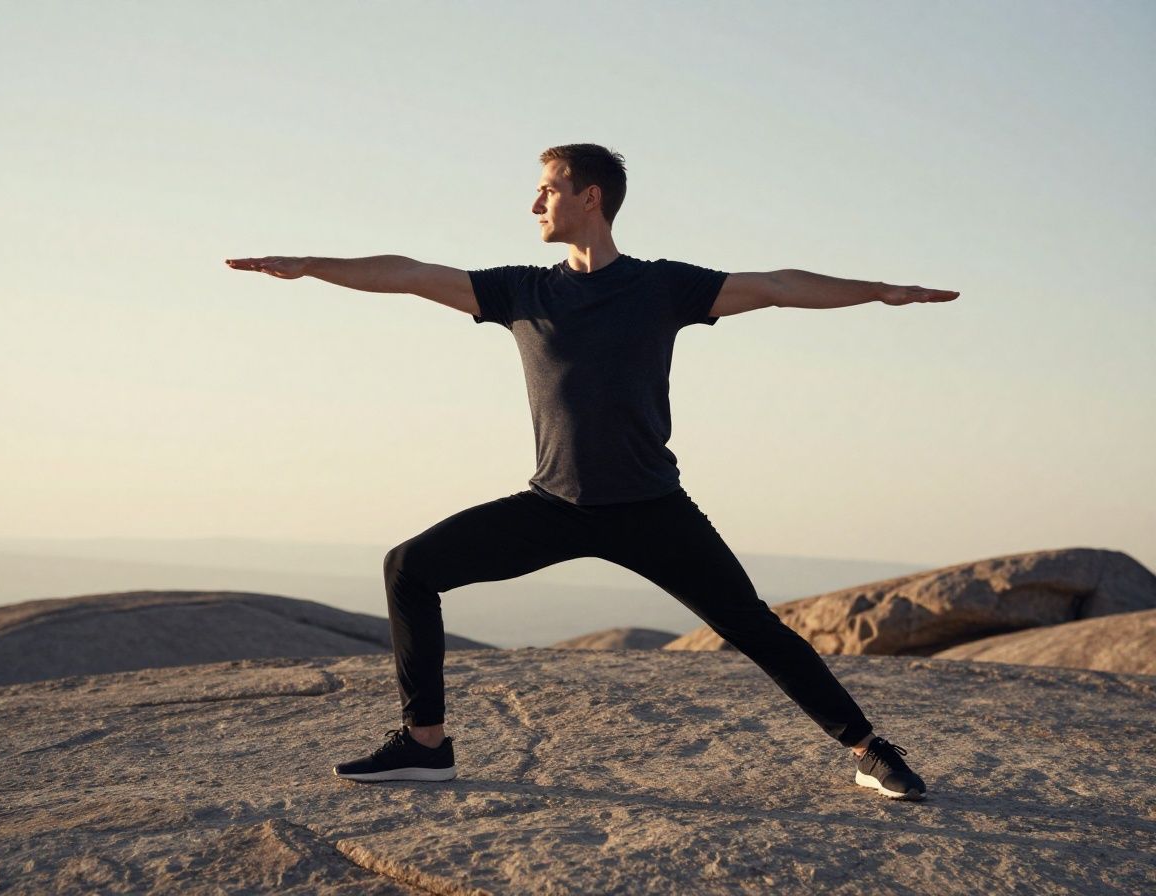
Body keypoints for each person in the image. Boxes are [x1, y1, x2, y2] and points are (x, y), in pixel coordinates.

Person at [227, 143, 958, 800]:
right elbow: (412, 274)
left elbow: (776, 284)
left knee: (754, 627)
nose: (534, 203)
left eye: (547, 189)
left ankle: (869, 749)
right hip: (554, 506)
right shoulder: (522, 291)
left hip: (651, 509)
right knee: (409, 567)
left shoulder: (662, 287)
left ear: (590, 198)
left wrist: (880, 290)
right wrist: (309, 267)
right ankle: (426, 745)